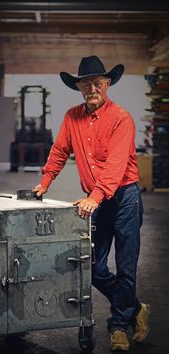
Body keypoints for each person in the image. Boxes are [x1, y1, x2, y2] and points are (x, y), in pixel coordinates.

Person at [33, 56, 150, 351]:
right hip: (98, 202)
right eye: (86, 83)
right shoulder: (72, 117)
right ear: (80, 87)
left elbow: (115, 166)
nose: (92, 87)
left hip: (124, 199)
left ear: (107, 84)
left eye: (98, 82)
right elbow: (59, 151)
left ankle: (118, 327)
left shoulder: (121, 118)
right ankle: (135, 308)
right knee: (94, 268)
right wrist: (45, 182)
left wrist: (94, 197)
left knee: (125, 268)